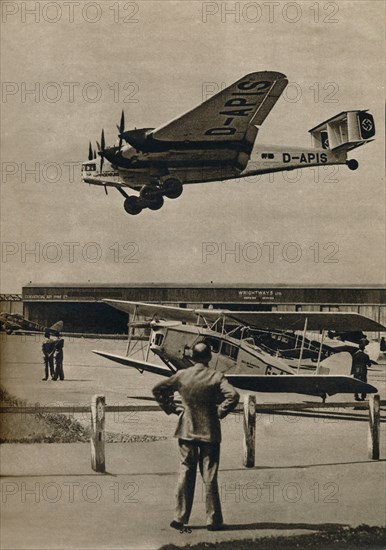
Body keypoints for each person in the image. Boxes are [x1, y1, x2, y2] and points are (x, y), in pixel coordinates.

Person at [152, 342, 239, 531]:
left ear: (192, 357)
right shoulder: (217, 377)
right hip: (210, 432)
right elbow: (233, 395)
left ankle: (180, 518)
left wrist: (171, 408)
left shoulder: (182, 375)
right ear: (209, 357)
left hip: (187, 430)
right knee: (210, 475)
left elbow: (158, 390)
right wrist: (219, 411)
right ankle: (213, 520)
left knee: (185, 472)